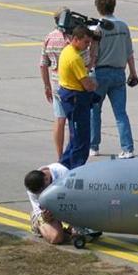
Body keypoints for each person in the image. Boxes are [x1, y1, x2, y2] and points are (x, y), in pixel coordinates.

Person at [39, 7, 94, 160]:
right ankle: (73, 155)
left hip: (57, 86)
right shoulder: (74, 41)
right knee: (75, 125)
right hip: (73, 87)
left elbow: (43, 64)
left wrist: (47, 86)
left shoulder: (49, 38)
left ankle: (59, 155)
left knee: (59, 120)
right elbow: (86, 65)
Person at [90, 0, 138, 159]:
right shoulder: (123, 26)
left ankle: (93, 145)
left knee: (95, 111)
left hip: (101, 73)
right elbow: (129, 53)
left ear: (98, 8)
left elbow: (94, 52)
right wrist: (133, 72)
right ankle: (128, 148)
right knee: (120, 113)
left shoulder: (98, 28)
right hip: (119, 73)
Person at [57, 25, 98, 169]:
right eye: (86, 42)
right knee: (81, 139)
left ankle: (65, 164)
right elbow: (87, 84)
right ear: (75, 39)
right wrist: (93, 85)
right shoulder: (74, 58)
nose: (87, 46)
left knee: (75, 137)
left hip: (69, 96)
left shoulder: (67, 50)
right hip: (76, 99)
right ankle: (75, 168)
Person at [24, 163, 70, 244]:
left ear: (46, 179)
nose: (41, 194)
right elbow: (38, 210)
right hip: (49, 212)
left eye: (42, 191)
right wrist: (44, 217)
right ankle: (36, 224)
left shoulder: (63, 174)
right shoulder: (33, 189)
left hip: (66, 207)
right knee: (56, 238)